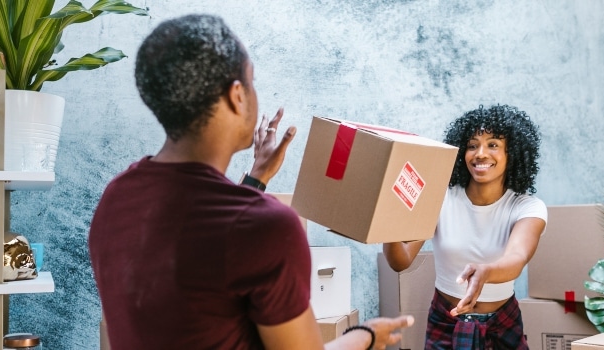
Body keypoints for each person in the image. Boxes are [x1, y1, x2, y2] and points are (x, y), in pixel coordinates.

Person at [88, 14, 413, 350]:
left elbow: (199, 294)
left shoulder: (116, 198)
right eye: (253, 81)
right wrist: (366, 336)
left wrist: (256, 179)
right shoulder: (268, 228)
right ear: (237, 95)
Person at [383, 105, 547, 349]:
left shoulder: (526, 207)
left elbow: (517, 257)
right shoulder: (439, 198)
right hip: (446, 322)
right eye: (472, 145)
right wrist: (385, 224)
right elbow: (401, 260)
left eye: (493, 144)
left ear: (512, 153)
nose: (480, 154)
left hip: (502, 324)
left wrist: (486, 272)